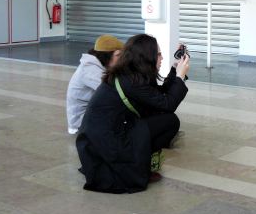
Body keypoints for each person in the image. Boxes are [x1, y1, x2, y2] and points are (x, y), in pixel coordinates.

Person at [75, 34, 189, 193]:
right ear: (146, 57)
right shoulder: (131, 80)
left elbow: (159, 96)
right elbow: (167, 104)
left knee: (166, 119)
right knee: (170, 121)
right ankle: (137, 165)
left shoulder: (130, 75)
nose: (162, 58)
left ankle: (141, 161)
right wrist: (180, 78)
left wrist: (175, 69)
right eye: (158, 54)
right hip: (107, 142)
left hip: (107, 133)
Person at [66, 34, 124, 134]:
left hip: (92, 114)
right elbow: (114, 91)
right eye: (118, 55)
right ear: (107, 55)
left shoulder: (98, 65)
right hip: (80, 123)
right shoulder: (90, 69)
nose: (121, 59)